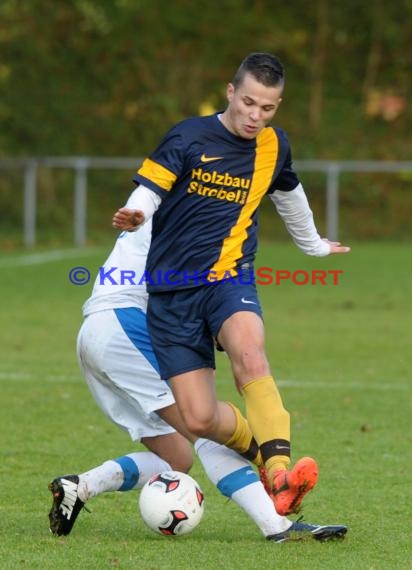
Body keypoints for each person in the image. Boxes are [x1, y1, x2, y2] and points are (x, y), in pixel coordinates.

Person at [112, 52, 351, 517]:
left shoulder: (273, 146)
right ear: (230, 92)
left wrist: (314, 245)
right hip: (171, 293)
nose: (255, 116)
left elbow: (290, 194)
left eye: (268, 108)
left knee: (249, 352)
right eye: (248, 103)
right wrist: (136, 213)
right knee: (199, 418)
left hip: (229, 277)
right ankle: (262, 456)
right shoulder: (187, 136)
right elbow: (149, 190)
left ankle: (280, 474)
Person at [48, 220, 347, 543]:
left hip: (97, 332)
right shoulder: (190, 215)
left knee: (178, 458)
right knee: (206, 426)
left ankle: (82, 486)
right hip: (128, 328)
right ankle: (277, 525)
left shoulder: (167, 204)